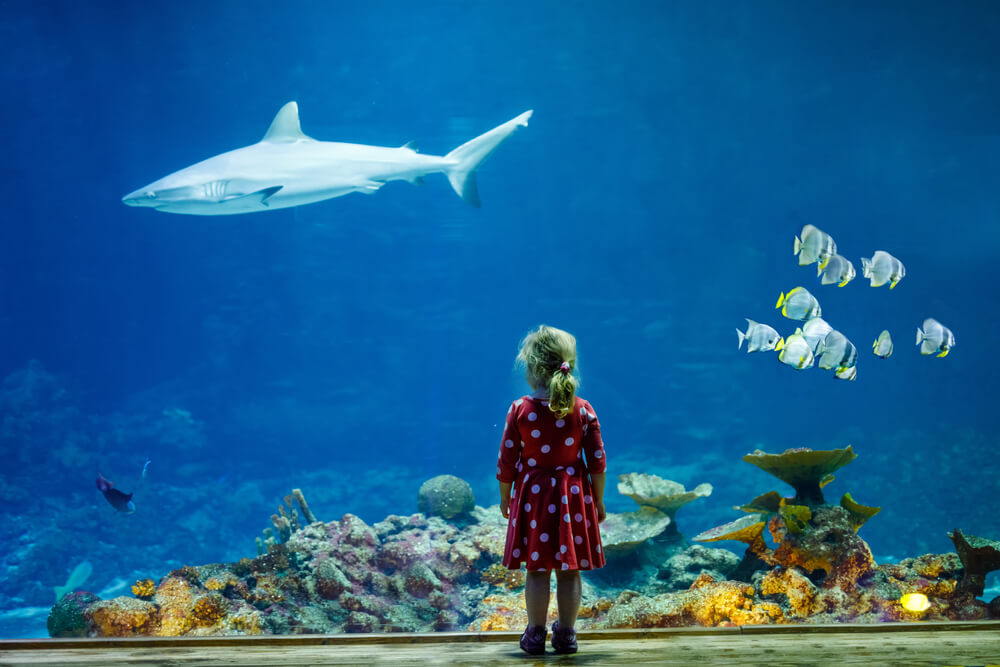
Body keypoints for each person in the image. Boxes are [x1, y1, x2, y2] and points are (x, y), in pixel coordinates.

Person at [495, 324, 607, 655]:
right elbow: (597, 460)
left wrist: (505, 497)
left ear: (531, 369)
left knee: (537, 569)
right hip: (573, 496)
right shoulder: (584, 409)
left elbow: (506, 461)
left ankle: (534, 635)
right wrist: (598, 500)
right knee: (570, 571)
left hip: (533, 498)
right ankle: (567, 635)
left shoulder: (519, 410)